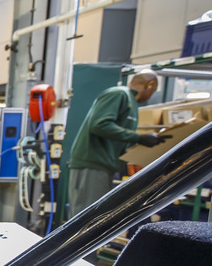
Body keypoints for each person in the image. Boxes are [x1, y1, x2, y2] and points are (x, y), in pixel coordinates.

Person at [67, 70, 167, 218]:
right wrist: (138, 138)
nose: (150, 96)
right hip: (93, 164)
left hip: (106, 166)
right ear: (149, 84)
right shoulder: (119, 94)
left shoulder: (131, 103)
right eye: (152, 91)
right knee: (86, 217)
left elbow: (117, 136)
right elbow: (100, 125)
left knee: (97, 216)